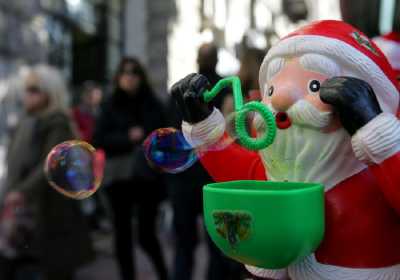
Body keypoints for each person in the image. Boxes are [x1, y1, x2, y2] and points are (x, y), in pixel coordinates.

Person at [172, 20, 400, 279]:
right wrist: (203, 124)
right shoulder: (276, 171)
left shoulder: (379, 167)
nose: (279, 99)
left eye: (314, 86)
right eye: (271, 89)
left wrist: (377, 131)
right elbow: (242, 173)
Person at [1, 64, 93, 280]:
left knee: (52, 267)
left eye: (34, 89)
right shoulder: (27, 121)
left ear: (50, 92)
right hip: (28, 209)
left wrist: (21, 192)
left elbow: (50, 163)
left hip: (49, 211)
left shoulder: (57, 122)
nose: (27, 94)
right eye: (27, 89)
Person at [168, 43, 245, 280]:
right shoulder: (225, 89)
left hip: (186, 178)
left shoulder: (184, 93)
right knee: (218, 245)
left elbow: (170, 129)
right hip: (212, 179)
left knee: (185, 244)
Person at [93, 57, 168, 280]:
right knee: (122, 234)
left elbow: (164, 135)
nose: (130, 77)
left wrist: (145, 137)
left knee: (146, 234)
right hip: (119, 178)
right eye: (125, 72)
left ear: (141, 77)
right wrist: (127, 137)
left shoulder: (153, 103)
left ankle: (164, 273)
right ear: (118, 77)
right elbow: (99, 139)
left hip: (147, 178)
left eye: (135, 72)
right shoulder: (109, 104)